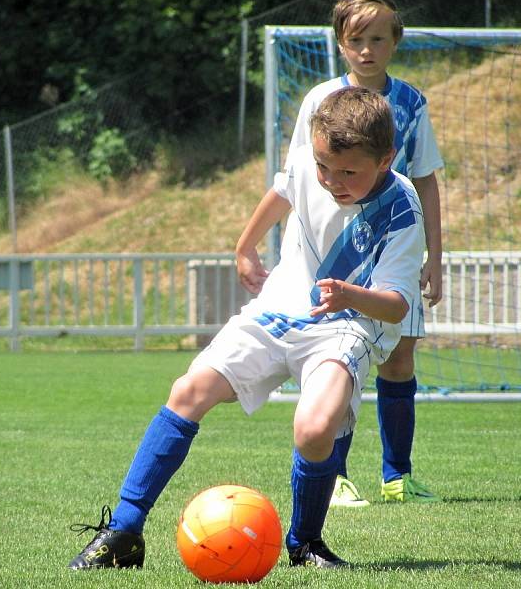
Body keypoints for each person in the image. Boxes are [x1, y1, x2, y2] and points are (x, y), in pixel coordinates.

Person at [68, 86, 426, 571]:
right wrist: (245, 245)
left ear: (384, 160)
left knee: (315, 427)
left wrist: (346, 295)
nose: (331, 181)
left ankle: (304, 544)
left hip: (346, 326)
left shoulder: (403, 207)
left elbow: (396, 306)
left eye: (348, 172)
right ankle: (124, 533)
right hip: (277, 309)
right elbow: (282, 192)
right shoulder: (308, 162)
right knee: (188, 389)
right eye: (325, 167)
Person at [286, 0, 443, 507]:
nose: (367, 49)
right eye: (357, 40)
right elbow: (293, 181)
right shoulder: (321, 100)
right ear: (341, 43)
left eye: (378, 38)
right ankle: (336, 475)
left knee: (398, 361)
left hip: (395, 251)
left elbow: (424, 181)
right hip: (338, 257)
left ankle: (397, 475)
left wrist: (434, 258)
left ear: (395, 41)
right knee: (341, 359)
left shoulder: (412, 103)